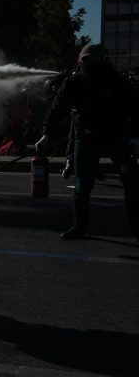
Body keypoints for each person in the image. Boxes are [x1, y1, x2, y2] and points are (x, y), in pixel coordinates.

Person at [35, 43, 139, 240]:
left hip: (117, 135)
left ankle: (135, 227)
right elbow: (57, 109)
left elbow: (135, 109)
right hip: (88, 136)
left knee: (131, 180)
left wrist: (135, 137)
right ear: (80, 62)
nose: (89, 65)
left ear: (102, 61)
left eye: (93, 61)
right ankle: (80, 226)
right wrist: (47, 133)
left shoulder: (116, 80)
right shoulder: (73, 82)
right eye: (86, 61)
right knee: (82, 185)